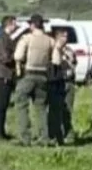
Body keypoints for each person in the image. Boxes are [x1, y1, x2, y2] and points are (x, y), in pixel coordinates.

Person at [13, 14, 60, 146]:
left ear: (32, 25)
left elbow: (18, 56)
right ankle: (43, 137)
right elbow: (56, 60)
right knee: (41, 107)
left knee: (21, 104)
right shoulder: (50, 40)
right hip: (43, 76)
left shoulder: (27, 38)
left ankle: (25, 137)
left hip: (28, 74)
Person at [0, 16, 18, 140]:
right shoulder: (1, 39)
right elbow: (5, 58)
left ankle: (0, 131)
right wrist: (16, 56)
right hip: (2, 75)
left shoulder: (7, 38)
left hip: (7, 75)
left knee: (3, 106)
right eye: (14, 24)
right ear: (9, 25)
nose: (16, 26)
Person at [47, 28, 77, 144]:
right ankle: (53, 134)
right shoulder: (52, 49)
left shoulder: (69, 50)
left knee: (68, 110)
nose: (65, 39)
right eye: (63, 36)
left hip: (69, 82)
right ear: (57, 37)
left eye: (66, 36)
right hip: (57, 82)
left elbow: (74, 63)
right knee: (55, 110)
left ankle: (68, 133)